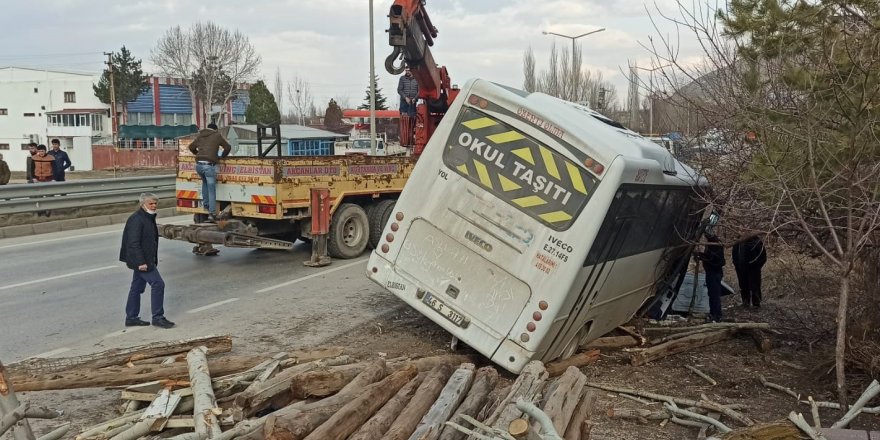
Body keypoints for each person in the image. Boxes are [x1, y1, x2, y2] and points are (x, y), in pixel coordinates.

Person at [119, 193, 175, 328]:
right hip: (142, 261)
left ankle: (131, 317)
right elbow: (133, 243)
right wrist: (141, 262)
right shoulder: (137, 219)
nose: (154, 206)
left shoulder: (148, 217)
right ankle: (158, 317)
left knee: (136, 288)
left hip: (146, 259)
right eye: (151, 203)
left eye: (155, 203)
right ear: (142, 204)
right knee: (158, 284)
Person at [187, 122, 231, 221]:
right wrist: (222, 156)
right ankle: (212, 213)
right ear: (216, 129)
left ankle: (206, 205)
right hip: (209, 165)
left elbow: (191, 147)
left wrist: (198, 154)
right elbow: (228, 147)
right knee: (212, 190)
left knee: (205, 183)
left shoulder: (200, 136)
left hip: (198, 165)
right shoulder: (217, 135)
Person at [696, 233, 726, 322]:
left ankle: (716, 315)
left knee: (714, 295)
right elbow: (708, 257)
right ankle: (714, 313)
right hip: (710, 272)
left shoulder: (716, 245)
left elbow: (720, 261)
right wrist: (700, 255)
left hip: (714, 273)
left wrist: (705, 259)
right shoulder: (710, 244)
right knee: (712, 294)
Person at [732, 234, 767, 308]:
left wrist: (757, 265)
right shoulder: (738, 241)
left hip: (753, 268)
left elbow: (763, 256)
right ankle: (745, 301)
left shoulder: (756, 241)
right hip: (741, 268)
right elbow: (734, 254)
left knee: (755, 286)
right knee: (743, 285)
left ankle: (756, 303)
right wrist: (736, 264)